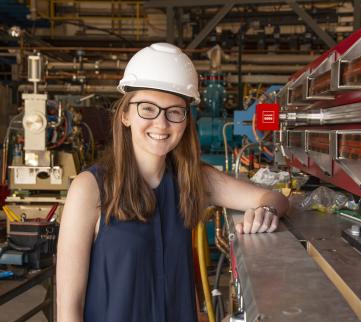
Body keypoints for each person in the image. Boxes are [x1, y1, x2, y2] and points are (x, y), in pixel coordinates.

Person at [56, 43, 289, 322]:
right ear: (125, 115)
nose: (161, 123)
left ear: (186, 121)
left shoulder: (192, 180)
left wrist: (267, 212)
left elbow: (273, 198)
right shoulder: (89, 188)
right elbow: (68, 309)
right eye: (147, 109)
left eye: (174, 111)